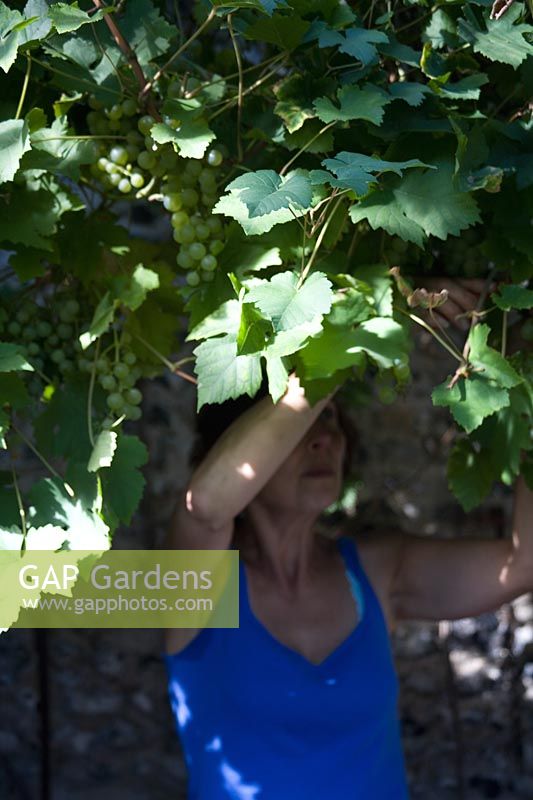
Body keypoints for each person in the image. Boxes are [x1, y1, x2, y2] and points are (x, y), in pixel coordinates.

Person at [162, 278, 532, 800]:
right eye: (305, 422)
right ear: (239, 443)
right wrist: (358, 327)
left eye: (332, 419)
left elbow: (521, 564)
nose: (326, 437)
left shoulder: (376, 574)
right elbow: (206, 509)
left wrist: (526, 378)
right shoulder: (198, 590)